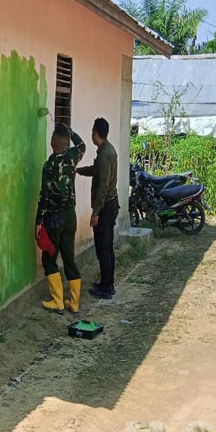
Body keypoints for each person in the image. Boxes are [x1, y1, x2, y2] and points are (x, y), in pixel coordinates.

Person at [35, 124, 86, 314]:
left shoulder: (48, 166)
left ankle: (57, 301)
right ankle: (74, 302)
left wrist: (38, 222)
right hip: (70, 216)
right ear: (65, 143)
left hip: (54, 218)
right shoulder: (72, 157)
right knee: (69, 257)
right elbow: (82, 145)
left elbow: (44, 196)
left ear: (52, 142)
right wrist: (70, 131)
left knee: (49, 258)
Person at [76, 118, 119, 299]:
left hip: (106, 206)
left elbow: (103, 186)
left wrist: (96, 212)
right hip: (109, 204)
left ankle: (107, 287)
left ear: (95, 133)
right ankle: (106, 282)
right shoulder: (106, 151)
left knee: (103, 248)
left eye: (92, 132)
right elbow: (96, 170)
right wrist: (79, 171)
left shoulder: (105, 154)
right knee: (106, 246)